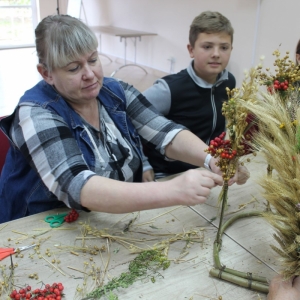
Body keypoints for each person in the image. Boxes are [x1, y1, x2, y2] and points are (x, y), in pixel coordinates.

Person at [0, 14, 248, 223]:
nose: (91, 75)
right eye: (73, 68)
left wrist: (211, 158)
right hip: (44, 226)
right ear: (47, 73)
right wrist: (170, 190)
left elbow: (163, 130)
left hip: (111, 217)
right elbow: (78, 184)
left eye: (93, 60)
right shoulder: (35, 112)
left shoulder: (113, 90)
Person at [143, 11, 236, 179]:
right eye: (207, 47)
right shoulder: (169, 89)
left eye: (224, 47)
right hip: (168, 174)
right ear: (191, 49)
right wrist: (143, 163)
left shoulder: (229, 83)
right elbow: (129, 121)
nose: (216, 53)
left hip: (207, 169)